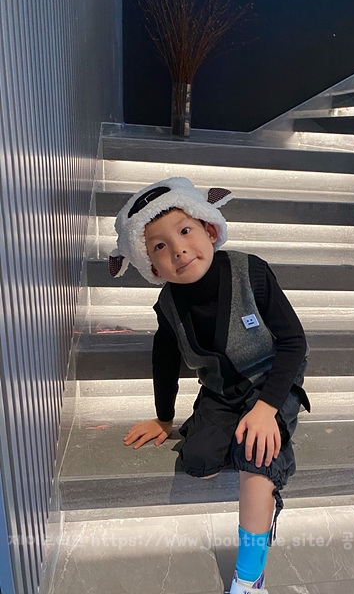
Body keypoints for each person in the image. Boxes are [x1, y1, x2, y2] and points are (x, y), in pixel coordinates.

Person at [109, 177, 310, 594]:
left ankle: (249, 575)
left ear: (210, 230)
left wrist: (267, 408)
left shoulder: (251, 272)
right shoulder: (168, 305)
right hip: (221, 390)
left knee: (256, 455)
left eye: (185, 230)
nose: (178, 249)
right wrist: (164, 418)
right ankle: (242, 435)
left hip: (272, 381)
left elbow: (294, 343)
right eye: (159, 246)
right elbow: (165, 360)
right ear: (151, 266)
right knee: (198, 462)